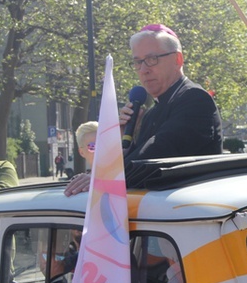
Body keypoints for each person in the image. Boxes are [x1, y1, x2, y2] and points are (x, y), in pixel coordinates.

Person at [65, 24, 223, 196]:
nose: (144, 69)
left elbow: (156, 158)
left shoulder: (194, 99)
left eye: (152, 59)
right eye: (138, 62)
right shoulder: (149, 114)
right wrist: (123, 140)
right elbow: (136, 162)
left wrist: (104, 176)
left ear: (178, 59)